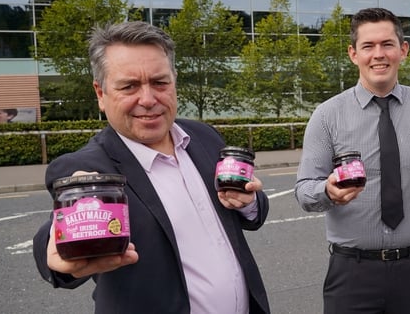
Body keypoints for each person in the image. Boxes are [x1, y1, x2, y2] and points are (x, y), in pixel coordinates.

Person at [32, 21, 271, 313]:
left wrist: (248, 203)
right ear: (100, 93)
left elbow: (251, 213)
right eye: (129, 86)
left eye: (160, 82)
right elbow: (55, 238)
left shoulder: (206, 137)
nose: (148, 99)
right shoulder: (85, 167)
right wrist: (58, 257)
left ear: (174, 81)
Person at [295, 7, 410, 313]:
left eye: (387, 44)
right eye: (368, 46)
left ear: (403, 50)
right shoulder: (327, 116)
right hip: (352, 273)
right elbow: (303, 191)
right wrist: (327, 190)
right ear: (354, 54)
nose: (378, 54)